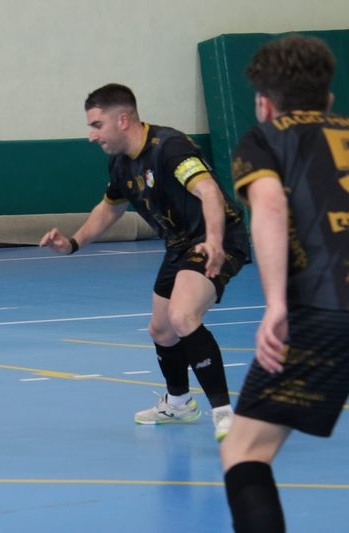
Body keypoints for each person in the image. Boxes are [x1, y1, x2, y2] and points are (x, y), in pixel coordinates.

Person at [40, 83, 251, 441]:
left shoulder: (170, 149)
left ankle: (225, 414)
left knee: (182, 317)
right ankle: (179, 403)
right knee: (162, 330)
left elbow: (209, 191)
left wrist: (214, 241)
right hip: (178, 246)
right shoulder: (120, 164)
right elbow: (109, 208)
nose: (92, 136)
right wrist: (73, 243)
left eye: (97, 125)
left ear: (122, 120)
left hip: (214, 238)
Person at [221, 34, 349, 532]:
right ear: (328, 98)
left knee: (245, 449)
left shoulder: (265, 138)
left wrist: (275, 303)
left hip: (323, 309)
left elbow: (270, 205)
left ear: (264, 104)